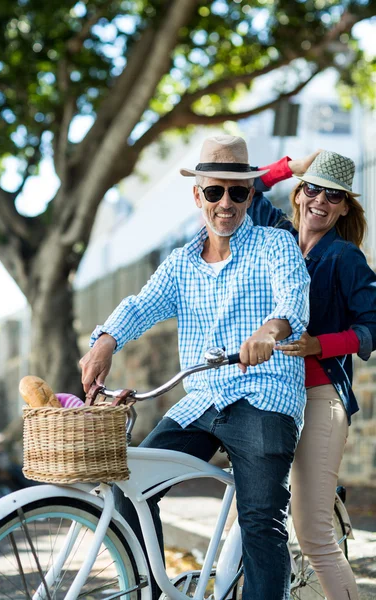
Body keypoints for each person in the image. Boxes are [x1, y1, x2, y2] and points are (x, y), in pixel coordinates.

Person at [80, 135, 310, 600]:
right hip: (203, 399)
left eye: (238, 192)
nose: (226, 203)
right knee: (131, 489)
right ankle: (149, 590)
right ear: (197, 194)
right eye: (214, 191)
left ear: (251, 194)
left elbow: (294, 297)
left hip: (265, 395)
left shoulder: (274, 244)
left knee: (261, 519)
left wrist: (271, 330)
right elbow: (141, 305)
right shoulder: (180, 264)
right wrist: (105, 341)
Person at [248, 150, 376, 600]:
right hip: (270, 395)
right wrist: (291, 166)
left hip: (321, 398)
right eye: (313, 188)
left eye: (334, 195)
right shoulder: (276, 235)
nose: (320, 200)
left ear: (343, 207)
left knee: (314, 535)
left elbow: (371, 328)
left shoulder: (345, 257)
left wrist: (320, 345)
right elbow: (247, 190)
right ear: (300, 194)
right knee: (252, 524)